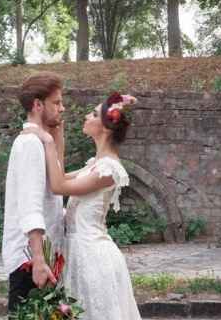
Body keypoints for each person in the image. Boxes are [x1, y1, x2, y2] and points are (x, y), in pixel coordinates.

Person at [30, 91, 143, 320]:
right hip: (78, 253)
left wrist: (48, 141)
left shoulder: (108, 169)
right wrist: (58, 138)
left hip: (94, 258)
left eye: (92, 114)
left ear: (106, 127)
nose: (86, 116)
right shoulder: (96, 164)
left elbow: (58, 186)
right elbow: (59, 176)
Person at [2, 73, 67, 314]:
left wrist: (56, 135)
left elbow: (56, 182)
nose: (63, 108)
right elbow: (30, 206)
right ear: (38, 105)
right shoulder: (30, 144)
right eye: (57, 103)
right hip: (30, 261)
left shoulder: (41, 141)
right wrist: (39, 261)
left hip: (44, 258)